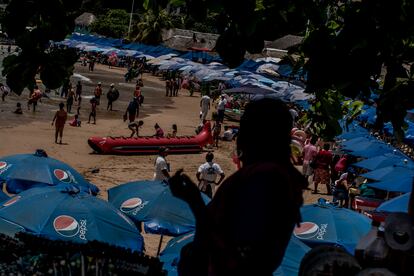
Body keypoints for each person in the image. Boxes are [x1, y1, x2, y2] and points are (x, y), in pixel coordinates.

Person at [169, 98, 308, 275]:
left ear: (255, 136)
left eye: (244, 128)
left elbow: (238, 249)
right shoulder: (278, 176)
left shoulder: (265, 178)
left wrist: (195, 202)